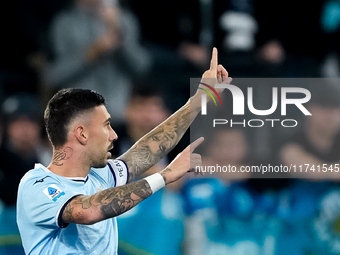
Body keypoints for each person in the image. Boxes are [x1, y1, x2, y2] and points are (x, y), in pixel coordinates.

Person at [16, 48, 231, 254]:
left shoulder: (101, 176)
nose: (114, 135)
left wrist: (200, 99)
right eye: (106, 126)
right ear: (82, 134)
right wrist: (164, 176)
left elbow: (147, 150)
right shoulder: (36, 183)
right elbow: (87, 211)